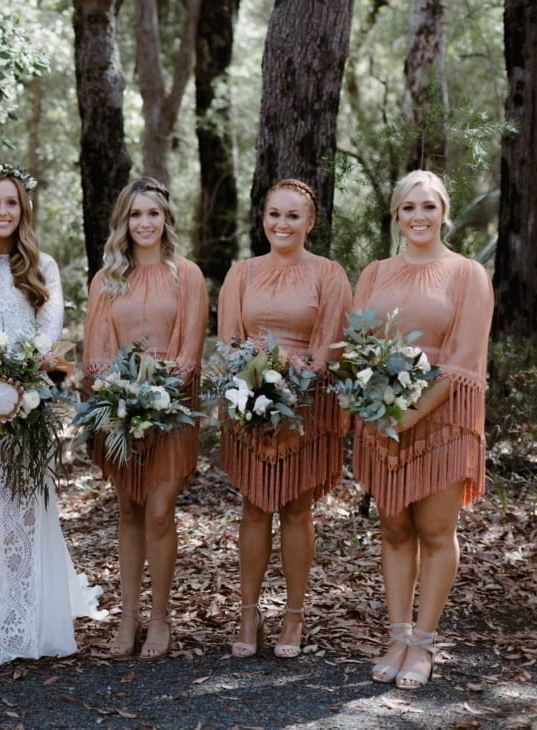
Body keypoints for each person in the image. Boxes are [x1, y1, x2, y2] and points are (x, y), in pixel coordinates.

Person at [0, 165, 102, 664]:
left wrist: (20, 376)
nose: (3, 212)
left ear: (23, 209)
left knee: (25, 510)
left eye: (11, 202)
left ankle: (28, 620)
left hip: (28, 409)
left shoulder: (42, 267)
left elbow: (50, 333)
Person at [353, 170, 493, 689]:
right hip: (382, 419)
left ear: (444, 213)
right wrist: (380, 409)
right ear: (396, 214)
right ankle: (397, 636)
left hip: (442, 418)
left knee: (435, 531)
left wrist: (412, 413)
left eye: (429, 206)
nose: (419, 216)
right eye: (409, 207)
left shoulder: (468, 274)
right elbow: (357, 347)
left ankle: (424, 644)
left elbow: (464, 359)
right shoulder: (374, 273)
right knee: (394, 530)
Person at [217, 178, 352, 659]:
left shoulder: (328, 274)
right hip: (249, 403)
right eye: (274, 214)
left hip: (305, 407)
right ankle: (248, 614)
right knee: (254, 506)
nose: (282, 223)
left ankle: (294, 617)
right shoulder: (242, 273)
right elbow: (229, 342)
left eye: (293, 216)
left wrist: (292, 388)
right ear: (263, 218)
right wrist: (250, 390)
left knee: (296, 508)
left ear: (310, 222)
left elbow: (330, 344)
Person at [82, 177, 208, 660]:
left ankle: (159, 616)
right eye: (135, 214)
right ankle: (128, 616)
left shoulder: (187, 275)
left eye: (152, 213)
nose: (144, 223)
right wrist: (120, 396)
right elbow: (97, 349)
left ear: (166, 218)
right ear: (124, 221)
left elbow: (190, 346)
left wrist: (158, 396)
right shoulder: (107, 279)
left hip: (171, 409)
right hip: (119, 410)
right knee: (129, 510)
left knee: (159, 512)